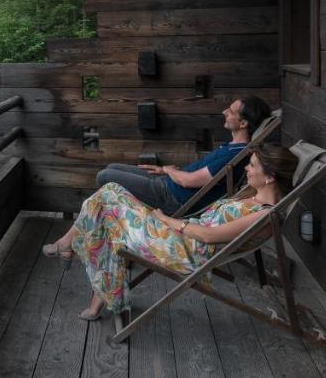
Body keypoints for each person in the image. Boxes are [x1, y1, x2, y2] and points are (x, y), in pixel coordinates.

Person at [42, 143, 299, 319]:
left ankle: (72, 251)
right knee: (109, 206)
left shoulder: (265, 214)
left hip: (183, 250)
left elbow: (208, 236)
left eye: (252, 166)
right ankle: (94, 282)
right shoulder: (252, 197)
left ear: (271, 176)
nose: (246, 168)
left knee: (109, 193)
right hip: (179, 237)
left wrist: (167, 220)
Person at [92, 94, 272, 214]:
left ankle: (121, 228)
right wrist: (165, 171)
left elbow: (189, 181)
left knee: (105, 176)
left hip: (172, 198)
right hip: (169, 184)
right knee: (112, 167)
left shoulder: (235, 156)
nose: (224, 112)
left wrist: (169, 171)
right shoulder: (232, 147)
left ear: (243, 124)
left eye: (231, 111)